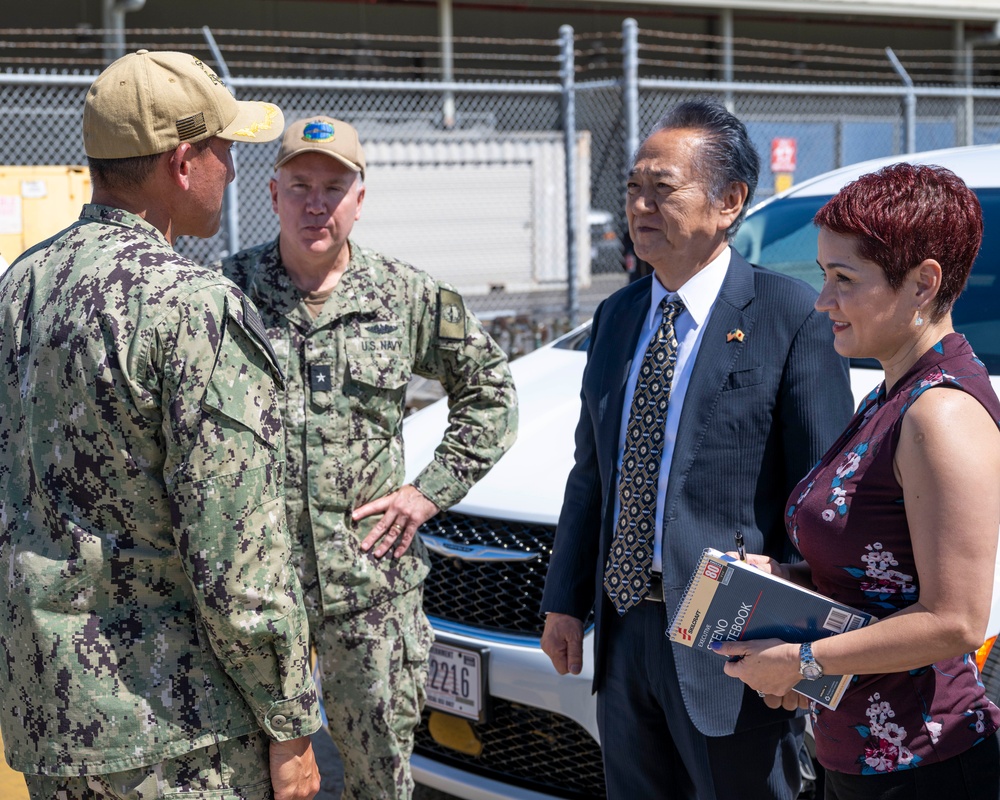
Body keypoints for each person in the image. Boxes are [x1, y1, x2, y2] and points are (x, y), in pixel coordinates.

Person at [0, 50, 323, 800]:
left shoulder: (22, 286)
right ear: (183, 163)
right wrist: (291, 722)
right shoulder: (190, 305)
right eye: (223, 151)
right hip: (175, 735)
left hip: (48, 719)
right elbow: (237, 552)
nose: (233, 172)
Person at [539, 98, 855, 799]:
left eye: (664, 188)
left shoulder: (790, 316)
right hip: (625, 635)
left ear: (729, 202)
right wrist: (564, 602)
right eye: (633, 189)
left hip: (734, 643)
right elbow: (593, 475)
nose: (640, 206)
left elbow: (824, 500)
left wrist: (812, 653)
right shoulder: (618, 315)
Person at [218, 115, 518, 800]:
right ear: (273, 194)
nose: (315, 204)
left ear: (360, 197)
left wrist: (428, 490)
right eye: (300, 186)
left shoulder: (404, 294)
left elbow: (491, 390)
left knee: (380, 771)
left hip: (370, 584)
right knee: (255, 776)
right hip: (260, 587)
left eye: (333, 187)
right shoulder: (227, 295)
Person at [715, 162, 1000, 798]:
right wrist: (788, 585)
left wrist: (802, 662)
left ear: (924, 283)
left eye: (844, 279)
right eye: (823, 276)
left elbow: (955, 621)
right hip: (859, 753)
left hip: (925, 767)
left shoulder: (942, 413)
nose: (823, 301)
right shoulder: (892, 391)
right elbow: (882, 580)